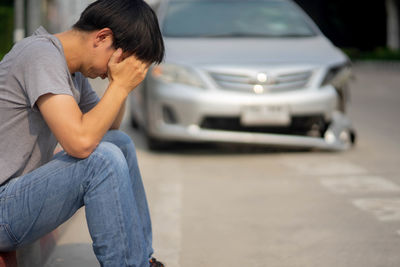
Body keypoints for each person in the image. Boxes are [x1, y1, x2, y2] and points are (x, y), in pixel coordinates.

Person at [0, 0, 165, 266]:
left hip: (17, 198)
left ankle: (142, 260)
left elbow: (108, 127)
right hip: (3, 206)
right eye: (118, 63)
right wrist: (120, 86)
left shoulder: (70, 71)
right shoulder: (39, 55)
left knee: (119, 143)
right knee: (101, 161)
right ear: (102, 38)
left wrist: (118, 84)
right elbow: (80, 143)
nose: (110, 72)